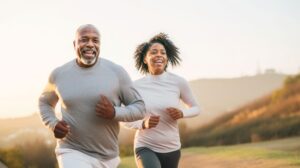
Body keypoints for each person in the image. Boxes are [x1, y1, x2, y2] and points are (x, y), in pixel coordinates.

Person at [38, 24, 145, 168]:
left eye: (95, 40)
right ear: (74, 44)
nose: (90, 44)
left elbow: (140, 108)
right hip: (71, 150)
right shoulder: (59, 74)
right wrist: (53, 123)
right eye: (84, 40)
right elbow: (44, 102)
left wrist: (115, 112)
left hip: (108, 157)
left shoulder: (117, 72)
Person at [123, 33, 201, 168]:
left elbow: (196, 108)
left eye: (163, 53)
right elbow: (124, 117)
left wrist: (182, 113)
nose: (159, 55)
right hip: (145, 146)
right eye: (153, 52)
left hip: (172, 147)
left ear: (166, 58)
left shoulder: (178, 82)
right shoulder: (135, 86)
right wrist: (143, 123)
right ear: (145, 59)